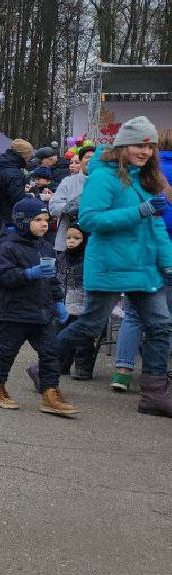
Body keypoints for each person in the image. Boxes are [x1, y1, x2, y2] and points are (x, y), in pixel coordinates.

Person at [55, 118, 172, 415]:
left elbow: (156, 226)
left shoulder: (145, 178)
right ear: (122, 145)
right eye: (139, 145)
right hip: (110, 264)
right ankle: (45, 365)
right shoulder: (104, 177)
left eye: (150, 146)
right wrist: (138, 211)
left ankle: (154, 395)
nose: (145, 152)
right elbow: (90, 219)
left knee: (160, 326)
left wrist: (168, 262)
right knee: (90, 325)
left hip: (143, 268)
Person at [0, 199, 77, 415]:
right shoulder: (7, 246)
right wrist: (28, 274)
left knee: (51, 352)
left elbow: (52, 279)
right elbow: (1, 277)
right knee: (6, 351)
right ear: (23, 221)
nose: (44, 224)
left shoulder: (45, 246)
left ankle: (49, 392)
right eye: (37, 220)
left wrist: (58, 302)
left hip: (42, 312)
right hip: (14, 312)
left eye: (46, 220)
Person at [0, 138, 34, 303]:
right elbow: (17, 199)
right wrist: (30, 195)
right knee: (3, 255)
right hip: (5, 217)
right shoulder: (13, 172)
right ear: (24, 154)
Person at [56, 223, 99, 380]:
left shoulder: (89, 260)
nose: (71, 241)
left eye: (76, 238)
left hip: (82, 306)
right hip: (64, 305)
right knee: (62, 336)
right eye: (68, 238)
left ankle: (83, 368)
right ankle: (62, 364)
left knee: (84, 341)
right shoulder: (61, 259)